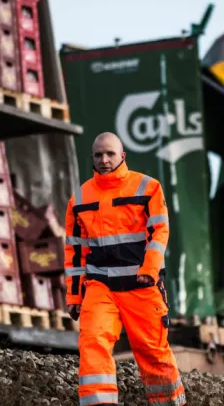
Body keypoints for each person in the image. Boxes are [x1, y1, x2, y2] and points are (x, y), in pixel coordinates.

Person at [64, 132, 186, 406]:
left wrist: (149, 270)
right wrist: (74, 296)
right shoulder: (79, 198)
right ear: (92, 158)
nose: (104, 160)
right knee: (92, 344)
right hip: (100, 286)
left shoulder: (148, 187)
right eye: (98, 155)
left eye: (110, 154)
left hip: (141, 286)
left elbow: (159, 232)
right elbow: (74, 252)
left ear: (123, 156)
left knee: (153, 354)